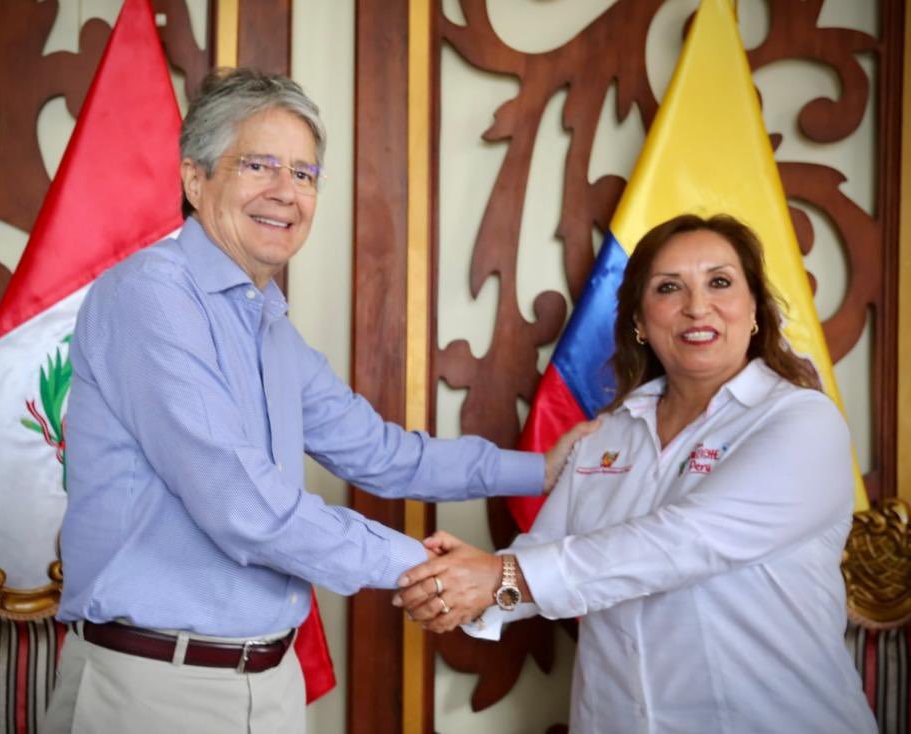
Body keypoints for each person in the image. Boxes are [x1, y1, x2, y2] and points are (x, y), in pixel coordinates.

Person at [43, 68, 591, 734]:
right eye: (260, 165)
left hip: (272, 682)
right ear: (195, 179)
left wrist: (540, 470)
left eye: (304, 174)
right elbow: (242, 507)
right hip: (157, 690)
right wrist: (428, 570)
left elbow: (383, 455)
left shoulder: (268, 325)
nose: (286, 193)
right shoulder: (149, 298)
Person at [395, 213, 876, 733]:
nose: (697, 305)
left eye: (720, 282)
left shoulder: (804, 421)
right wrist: (452, 587)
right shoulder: (609, 432)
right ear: (640, 323)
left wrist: (500, 578)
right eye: (669, 288)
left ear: (754, 309)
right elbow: (539, 556)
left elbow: (682, 543)